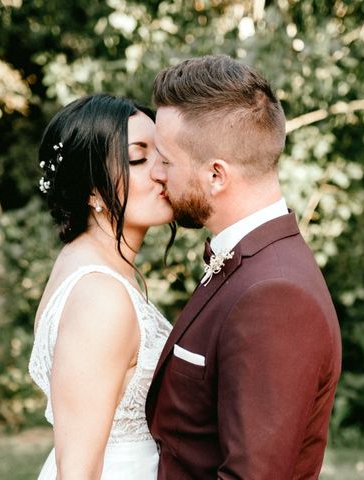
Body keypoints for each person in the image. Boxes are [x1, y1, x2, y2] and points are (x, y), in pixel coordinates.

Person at [145, 55, 342, 479]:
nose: (156, 174)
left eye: (165, 159)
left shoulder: (275, 297)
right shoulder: (248, 262)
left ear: (216, 175)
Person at [28, 93, 174, 479]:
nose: (162, 171)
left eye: (163, 154)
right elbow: (76, 470)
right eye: (139, 157)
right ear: (92, 190)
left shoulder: (84, 261)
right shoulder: (100, 297)